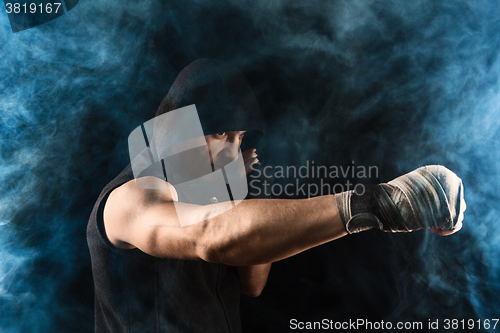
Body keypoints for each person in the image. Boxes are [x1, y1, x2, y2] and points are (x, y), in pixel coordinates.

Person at [87, 59, 466, 333]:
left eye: (238, 140)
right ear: (177, 133)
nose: (231, 153)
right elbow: (208, 237)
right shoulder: (131, 198)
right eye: (219, 136)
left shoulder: (208, 196)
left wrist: (236, 193)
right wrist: (380, 204)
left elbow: (252, 282)